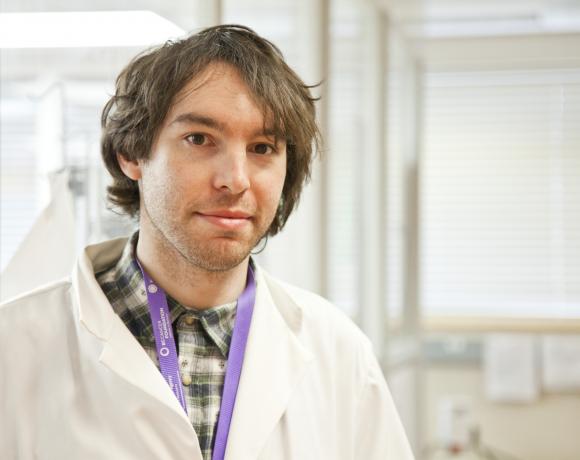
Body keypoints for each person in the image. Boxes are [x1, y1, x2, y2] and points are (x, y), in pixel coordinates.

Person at [0, 25, 414, 460]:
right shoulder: (15, 348)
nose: (235, 179)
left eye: (262, 148)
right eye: (199, 139)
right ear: (131, 154)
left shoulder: (340, 352)